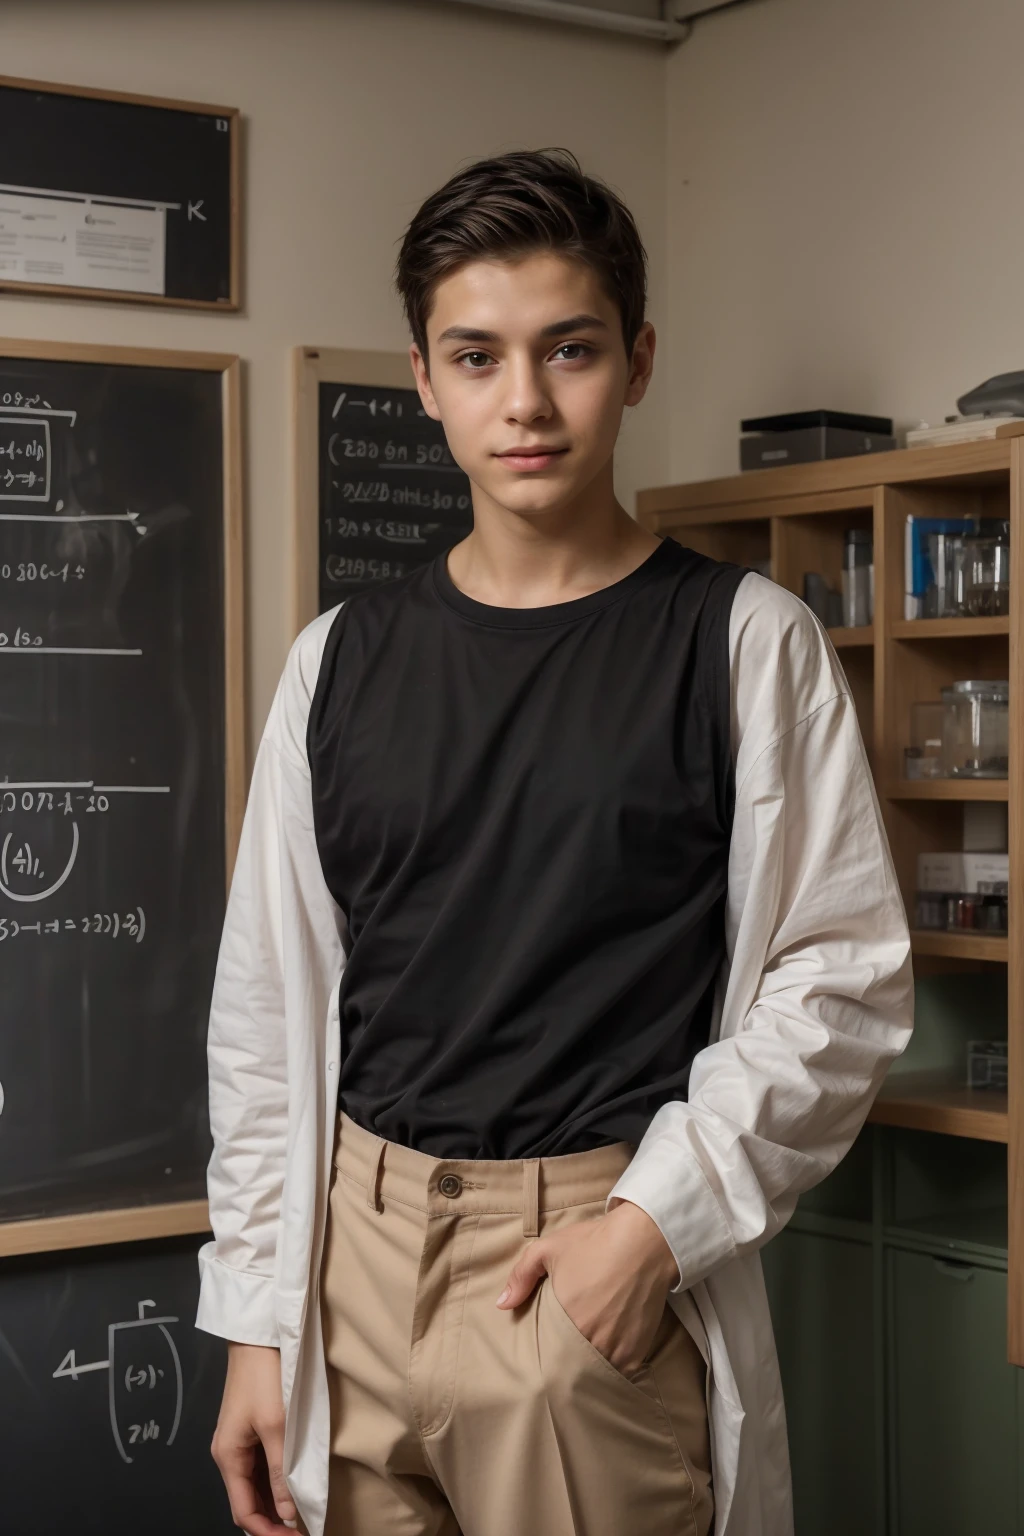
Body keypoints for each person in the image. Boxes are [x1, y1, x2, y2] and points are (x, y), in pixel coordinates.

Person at [197, 148, 913, 1536]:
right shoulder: (339, 660)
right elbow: (265, 1015)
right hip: (348, 1264)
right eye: (477, 357)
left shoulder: (744, 643)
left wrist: (653, 1229)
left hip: (583, 1265)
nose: (522, 402)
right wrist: (253, 1319)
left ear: (636, 362)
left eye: (568, 350)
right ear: (424, 377)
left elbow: (842, 984)